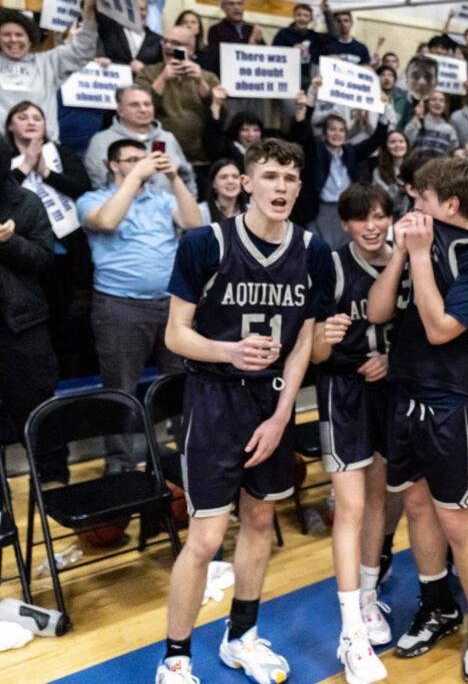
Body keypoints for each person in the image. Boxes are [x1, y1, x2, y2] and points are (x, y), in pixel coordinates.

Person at [156, 138, 333, 684]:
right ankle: (176, 658)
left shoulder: (314, 251)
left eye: (291, 178)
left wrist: (282, 416)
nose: (281, 186)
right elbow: (176, 334)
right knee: (207, 539)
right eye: (271, 175)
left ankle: (241, 638)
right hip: (214, 398)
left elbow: (303, 345)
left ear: (300, 188)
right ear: (248, 183)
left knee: (260, 520)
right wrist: (228, 350)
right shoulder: (204, 244)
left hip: (273, 401)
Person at [365, 157, 468, 682]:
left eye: (422, 198)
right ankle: (436, 605)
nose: (413, 205)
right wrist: (404, 254)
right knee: (417, 507)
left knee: (457, 522)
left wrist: (421, 256)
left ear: (449, 204)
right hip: (404, 393)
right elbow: (377, 312)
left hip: (451, 402)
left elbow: (440, 328)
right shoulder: (416, 242)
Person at [311, 184, 396, 684]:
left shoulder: (405, 262)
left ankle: (368, 596)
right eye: (362, 218)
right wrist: (325, 339)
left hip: (388, 392)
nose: (372, 226)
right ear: (344, 223)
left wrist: (393, 359)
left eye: (380, 216)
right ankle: (351, 633)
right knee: (352, 506)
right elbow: (314, 353)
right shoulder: (332, 266)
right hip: (342, 391)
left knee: (379, 500)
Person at [77, 139, 202, 474]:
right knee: (121, 388)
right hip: (120, 306)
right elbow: (106, 221)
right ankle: (120, 464)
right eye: (131, 160)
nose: (141, 164)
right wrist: (136, 177)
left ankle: (185, 457)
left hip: (171, 304)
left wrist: (174, 178)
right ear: (113, 165)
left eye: (142, 159)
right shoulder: (92, 199)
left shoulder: (161, 198)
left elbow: (194, 224)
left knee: (179, 383)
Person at [6, 101, 92, 378]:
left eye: (37, 117)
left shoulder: (60, 153)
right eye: (23, 117)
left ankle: (66, 377)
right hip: (20, 254)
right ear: (10, 126)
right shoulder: (5, 157)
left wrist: (46, 173)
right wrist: (25, 166)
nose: (31, 122)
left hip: (65, 251)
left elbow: (83, 188)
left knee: (63, 321)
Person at [0, 132, 63, 486]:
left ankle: (53, 483)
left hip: (22, 325)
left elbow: (43, 258)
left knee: (38, 409)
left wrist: (10, 243)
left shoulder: (25, 202)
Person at [0, 0, 99, 141]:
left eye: (19, 35)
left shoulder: (48, 62)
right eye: (6, 35)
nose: (13, 40)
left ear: (30, 39)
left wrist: (88, 12)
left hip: (44, 147)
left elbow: (82, 50)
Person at [291, 92, 389, 245]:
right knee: (318, 250)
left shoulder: (350, 152)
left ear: (346, 135)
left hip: (346, 210)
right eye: (332, 129)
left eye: (341, 130)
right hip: (319, 211)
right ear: (324, 133)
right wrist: (306, 104)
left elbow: (376, 139)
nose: (337, 134)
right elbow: (303, 133)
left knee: (344, 251)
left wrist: (383, 111)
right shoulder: (315, 150)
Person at [137, 26, 221, 177]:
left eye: (175, 43)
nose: (168, 46)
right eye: (165, 41)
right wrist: (163, 79)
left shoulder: (208, 77)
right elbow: (140, 111)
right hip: (161, 160)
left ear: (190, 49)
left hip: (200, 161)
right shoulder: (148, 73)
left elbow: (219, 116)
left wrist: (200, 82)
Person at [85, 85, 196, 195]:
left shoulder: (167, 138)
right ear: (120, 111)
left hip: (172, 205)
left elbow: (187, 177)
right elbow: (101, 185)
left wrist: (190, 202)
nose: (143, 109)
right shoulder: (102, 141)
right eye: (134, 105)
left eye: (147, 104)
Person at [203, 0, 264, 73]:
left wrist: (256, 41)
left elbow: (264, 58)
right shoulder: (216, 30)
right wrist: (251, 42)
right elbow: (220, 59)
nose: (236, 7)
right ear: (223, 7)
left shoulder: (252, 30)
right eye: (231, 4)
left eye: (239, 3)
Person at [98, 0, 162, 71]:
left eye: (142, 9)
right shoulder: (111, 31)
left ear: (147, 12)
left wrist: (144, 70)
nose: (138, 13)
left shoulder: (158, 41)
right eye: (134, 9)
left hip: (143, 78)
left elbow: (162, 69)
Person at [272, 3, 323, 88]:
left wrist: (327, 12)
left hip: (308, 80)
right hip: (286, 78)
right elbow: (273, 56)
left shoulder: (314, 36)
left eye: (306, 15)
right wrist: (291, 51)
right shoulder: (283, 34)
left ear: (310, 19)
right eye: (299, 15)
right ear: (294, 16)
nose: (302, 18)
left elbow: (334, 37)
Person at [404, 91, 458, 156]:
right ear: (427, 104)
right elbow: (407, 141)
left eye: (441, 100)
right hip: (418, 161)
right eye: (434, 99)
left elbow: (454, 149)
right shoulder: (417, 123)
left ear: (445, 105)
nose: (437, 103)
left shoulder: (449, 129)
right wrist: (416, 116)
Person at [199, 158, 247, 223]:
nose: (230, 181)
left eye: (235, 176)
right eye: (223, 177)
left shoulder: (250, 210)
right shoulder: (201, 211)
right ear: (213, 183)